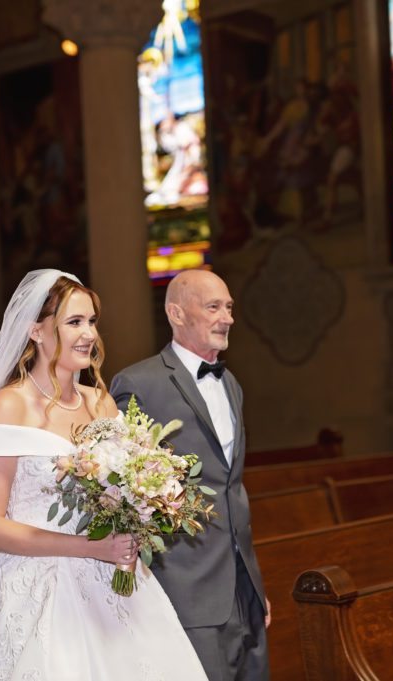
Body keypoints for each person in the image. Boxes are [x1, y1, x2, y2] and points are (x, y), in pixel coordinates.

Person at [0, 269, 208, 680]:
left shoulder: (100, 403)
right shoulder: (9, 406)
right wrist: (89, 547)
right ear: (35, 330)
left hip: (112, 580)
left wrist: (141, 508)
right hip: (30, 584)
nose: (88, 334)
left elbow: (124, 487)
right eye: (74, 322)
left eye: (92, 322)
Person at [111, 269, 271, 681]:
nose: (228, 317)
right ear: (176, 314)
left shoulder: (231, 383)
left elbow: (231, 487)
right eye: (214, 306)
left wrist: (253, 585)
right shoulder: (139, 383)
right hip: (186, 589)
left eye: (230, 307)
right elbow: (121, 493)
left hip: (242, 590)